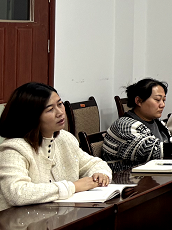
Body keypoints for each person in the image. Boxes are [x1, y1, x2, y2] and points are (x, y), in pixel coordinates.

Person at [0, 82, 112, 211]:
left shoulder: (64, 138)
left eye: (60, 104)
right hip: (22, 221)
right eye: (50, 109)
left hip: (61, 216)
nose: (60, 113)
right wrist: (73, 187)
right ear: (31, 116)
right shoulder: (14, 149)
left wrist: (100, 174)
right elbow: (17, 193)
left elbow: (93, 163)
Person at [103, 78, 172, 170]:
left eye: (164, 100)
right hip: (126, 180)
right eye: (157, 100)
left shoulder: (158, 123)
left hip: (153, 175)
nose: (162, 105)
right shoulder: (125, 125)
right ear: (139, 101)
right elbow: (154, 150)